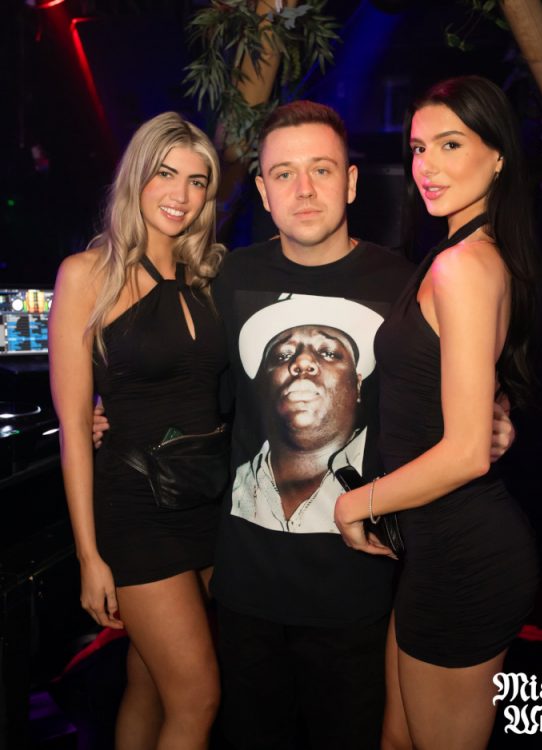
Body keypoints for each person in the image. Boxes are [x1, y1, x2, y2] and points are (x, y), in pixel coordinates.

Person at [92, 100, 515, 749]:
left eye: (322, 169)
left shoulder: (405, 283)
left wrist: (499, 412)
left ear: (351, 181)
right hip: (244, 588)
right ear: (262, 191)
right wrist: (105, 413)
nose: (305, 189)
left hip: (359, 590)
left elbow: (455, 381)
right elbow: (175, 374)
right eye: (284, 174)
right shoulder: (227, 279)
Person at [334, 76, 540, 750]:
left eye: (451, 144)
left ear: (498, 155)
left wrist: (355, 503)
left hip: (462, 554)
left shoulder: (465, 266)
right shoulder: (453, 255)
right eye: (420, 148)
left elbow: (466, 452)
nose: (427, 165)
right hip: (433, 548)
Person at [49, 112, 227, 750]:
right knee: (198, 696)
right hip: (136, 512)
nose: (181, 194)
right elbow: (75, 427)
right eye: (165, 174)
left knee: (151, 682)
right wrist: (89, 557)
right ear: (137, 178)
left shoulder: (210, 276)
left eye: (197, 181)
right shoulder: (86, 275)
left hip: (208, 500)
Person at [232, 293, 384, 532]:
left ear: (357, 384)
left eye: (328, 352)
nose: (302, 362)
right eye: (283, 355)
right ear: (263, 385)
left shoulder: (388, 478)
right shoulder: (237, 487)